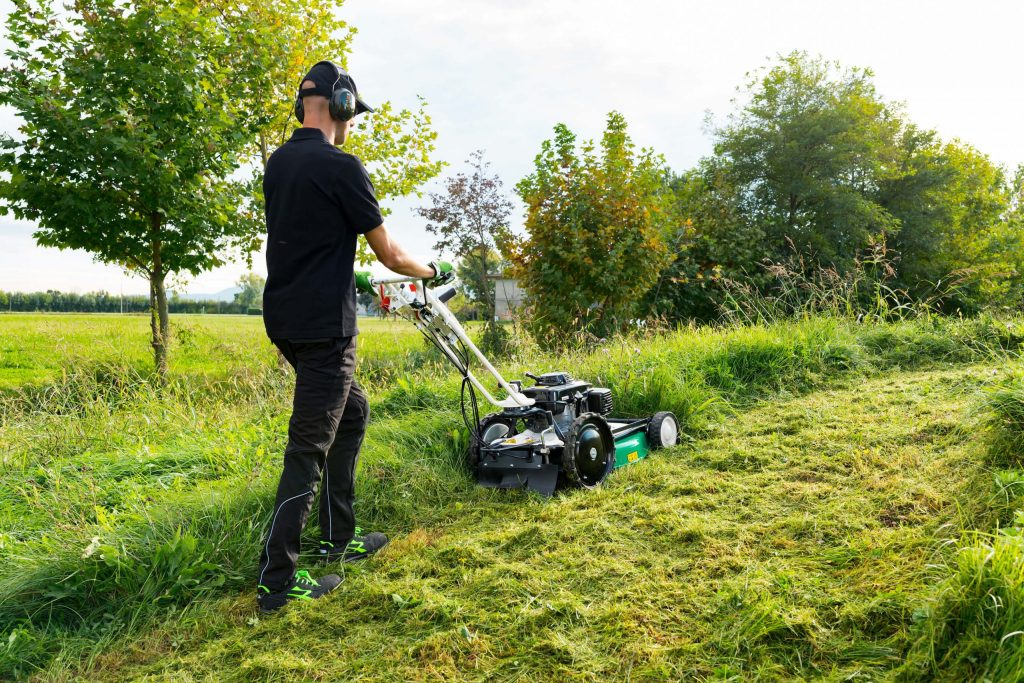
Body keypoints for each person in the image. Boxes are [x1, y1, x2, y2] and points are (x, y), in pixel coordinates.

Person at [256, 60, 453, 613]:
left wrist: (353, 271)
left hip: (287, 322)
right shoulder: (343, 167)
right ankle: (277, 582)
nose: (352, 124)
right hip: (326, 329)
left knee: (353, 412)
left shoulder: (280, 163)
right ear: (341, 106)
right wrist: (430, 272)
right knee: (308, 448)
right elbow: (389, 252)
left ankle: (337, 537)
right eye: (352, 114)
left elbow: (312, 238)